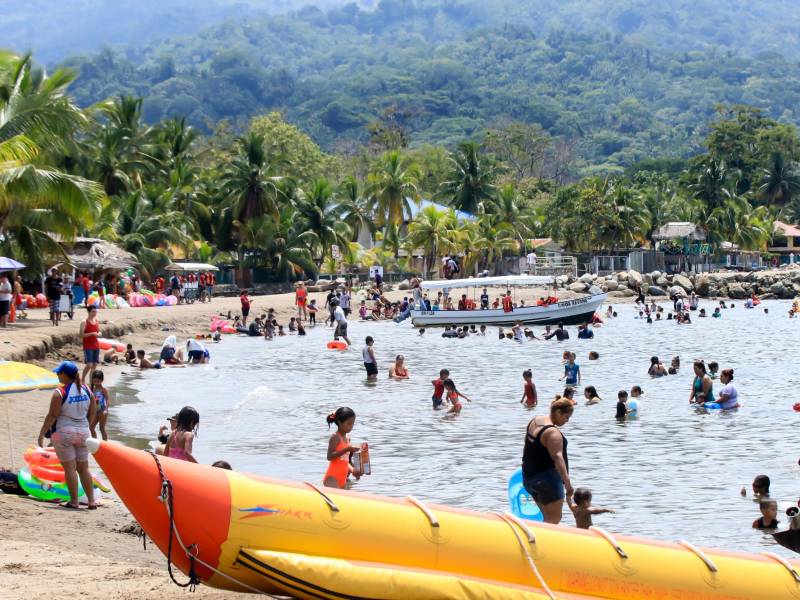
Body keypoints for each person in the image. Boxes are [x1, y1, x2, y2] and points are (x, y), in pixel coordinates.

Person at [37, 361, 97, 509]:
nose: (57, 375)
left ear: (64, 375)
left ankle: (74, 501)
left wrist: (42, 434)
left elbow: (52, 415)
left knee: (69, 468)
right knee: (84, 469)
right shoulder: (87, 390)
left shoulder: (60, 392)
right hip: (83, 433)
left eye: (59, 373)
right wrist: (86, 426)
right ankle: (91, 501)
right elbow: (93, 411)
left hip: (63, 433)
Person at [521, 397, 574, 524]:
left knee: (546, 518)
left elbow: (526, 448)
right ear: (558, 412)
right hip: (547, 481)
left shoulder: (535, 421)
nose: (567, 421)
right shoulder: (553, 433)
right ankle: (545, 544)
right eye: (566, 417)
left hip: (530, 478)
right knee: (553, 519)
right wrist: (568, 484)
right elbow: (558, 458)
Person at [324, 407, 360, 489]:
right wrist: (347, 449)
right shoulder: (335, 437)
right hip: (332, 478)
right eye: (348, 424)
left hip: (343, 479)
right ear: (340, 423)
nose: (351, 427)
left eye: (352, 424)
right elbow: (329, 457)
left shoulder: (347, 438)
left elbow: (345, 461)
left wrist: (353, 470)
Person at [79, 306, 101, 382]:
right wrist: (92, 334)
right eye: (93, 311)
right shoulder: (84, 322)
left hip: (96, 346)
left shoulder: (96, 321)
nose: (94, 313)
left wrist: (99, 333)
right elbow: (81, 335)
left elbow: (98, 331)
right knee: (89, 365)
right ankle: (83, 378)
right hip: (88, 346)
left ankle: (91, 383)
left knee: (94, 366)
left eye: (95, 311)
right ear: (88, 312)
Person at [89, 370, 109, 441]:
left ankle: (106, 444)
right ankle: (95, 442)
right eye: (94, 381)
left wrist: (106, 410)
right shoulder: (92, 389)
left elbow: (107, 400)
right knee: (91, 427)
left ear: (102, 380)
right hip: (95, 411)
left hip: (102, 411)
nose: (96, 383)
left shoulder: (103, 390)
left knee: (102, 428)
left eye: (98, 381)